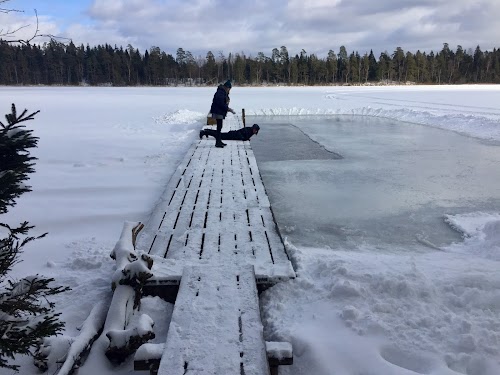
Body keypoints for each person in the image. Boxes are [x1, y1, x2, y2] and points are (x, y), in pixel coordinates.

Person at [209, 80, 235, 148]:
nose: (229, 90)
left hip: (219, 111)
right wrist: (228, 109)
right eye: (229, 88)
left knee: (219, 127)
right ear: (226, 87)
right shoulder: (220, 93)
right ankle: (218, 142)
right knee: (219, 127)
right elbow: (221, 103)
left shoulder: (222, 92)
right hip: (218, 111)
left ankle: (219, 141)